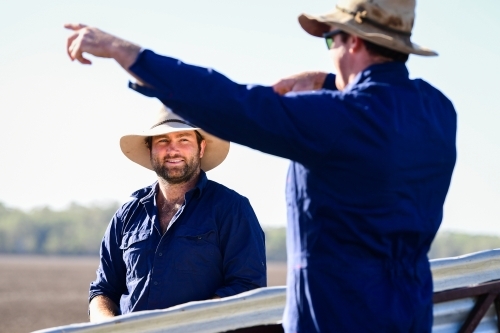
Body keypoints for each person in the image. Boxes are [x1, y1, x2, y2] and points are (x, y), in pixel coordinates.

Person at [66, 0, 457, 331]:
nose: (330, 52)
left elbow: (234, 105)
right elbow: (380, 107)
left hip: (341, 316)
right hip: (410, 312)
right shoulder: (438, 110)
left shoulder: (339, 118)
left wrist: (128, 53)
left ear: (352, 41)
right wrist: (325, 82)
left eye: (328, 39)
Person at [88, 106, 267, 322]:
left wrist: (187, 324)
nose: (173, 150)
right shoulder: (127, 214)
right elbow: (103, 290)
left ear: (201, 148)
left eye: (184, 140)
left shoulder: (232, 208)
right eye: (163, 141)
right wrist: (107, 324)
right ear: (150, 149)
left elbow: (247, 287)